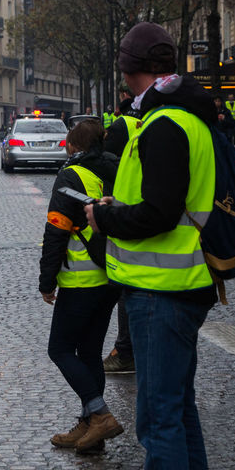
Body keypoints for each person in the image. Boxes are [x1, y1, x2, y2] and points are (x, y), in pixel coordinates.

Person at [86, 22, 218, 470]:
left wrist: (106, 217)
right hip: (178, 285)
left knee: (159, 418)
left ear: (127, 68)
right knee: (178, 412)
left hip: (163, 289)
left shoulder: (164, 125)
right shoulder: (183, 118)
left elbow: (160, 213)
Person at [39, 118, 124, 455]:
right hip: (112, 276)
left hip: (81, 279)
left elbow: (57, 231)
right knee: (89, 352)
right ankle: (91, 428)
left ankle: (100, 414)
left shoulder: (71, 175)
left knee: (59, 349)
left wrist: (47, 280)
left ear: (73, 146)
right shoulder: (118, 170)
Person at [100, 98, 142, 374]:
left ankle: (125, 351)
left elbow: (109, 162)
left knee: (127, 288)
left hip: (130, 218)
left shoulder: (122, 125)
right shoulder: (173, 123)